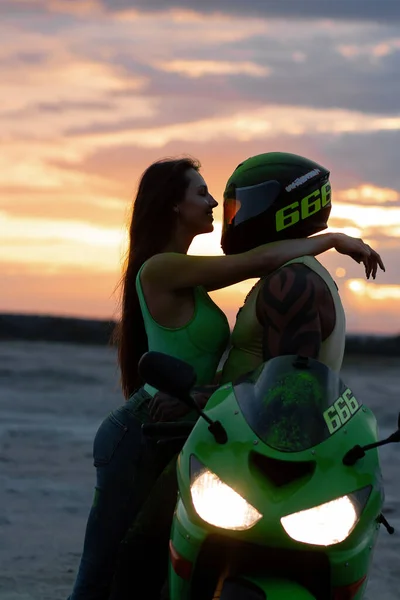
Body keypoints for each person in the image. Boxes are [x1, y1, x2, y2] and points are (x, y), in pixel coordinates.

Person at [67, 155, 383, 600]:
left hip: (194, 422)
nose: (217, 203)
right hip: (146, 424)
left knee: (151, 553)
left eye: (233, 201)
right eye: (202, 193)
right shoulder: (162, 267)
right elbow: (256, 261)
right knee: (116, 560)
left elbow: (290, 381)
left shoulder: (232, 275)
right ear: (173, 206)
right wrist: (331, 239)